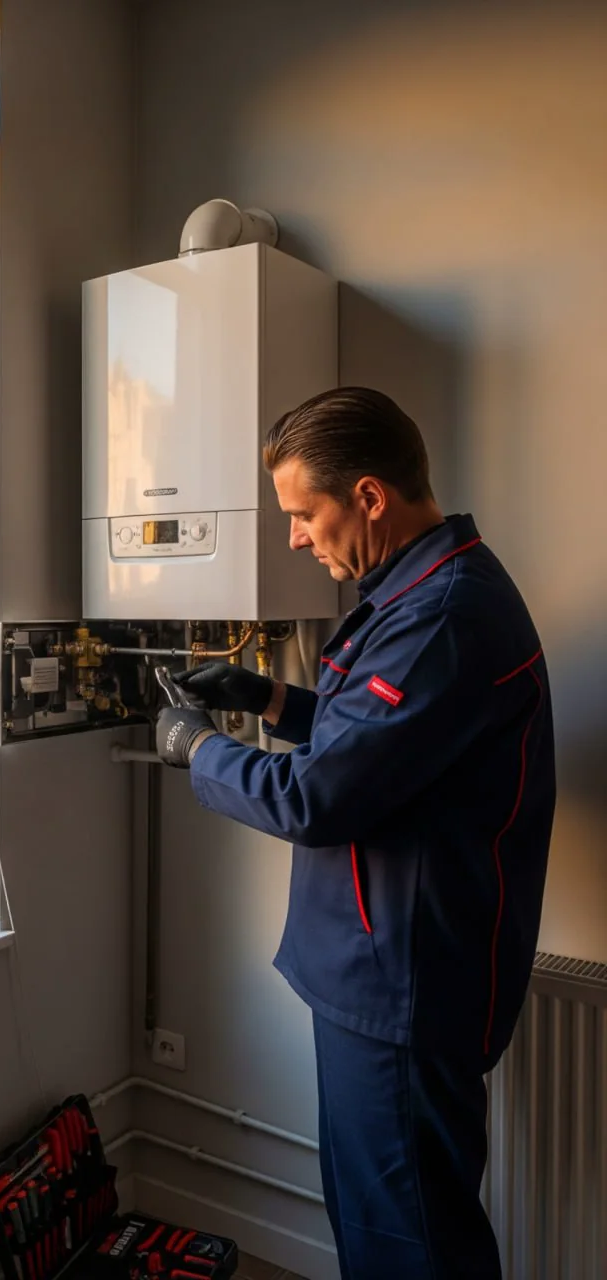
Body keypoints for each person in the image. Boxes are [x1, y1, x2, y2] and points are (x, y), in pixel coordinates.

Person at [153, 388, 555, 1280]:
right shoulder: (414, 589)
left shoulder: (443, 614)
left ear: (369, 497)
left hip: (403, 985)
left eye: (304, 512)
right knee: (381, 1222)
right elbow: (385, 743)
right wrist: (265, 698)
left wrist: (198, 751)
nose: (295, 535)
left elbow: (319, 798)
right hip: (380, 974)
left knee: (409, 1243)